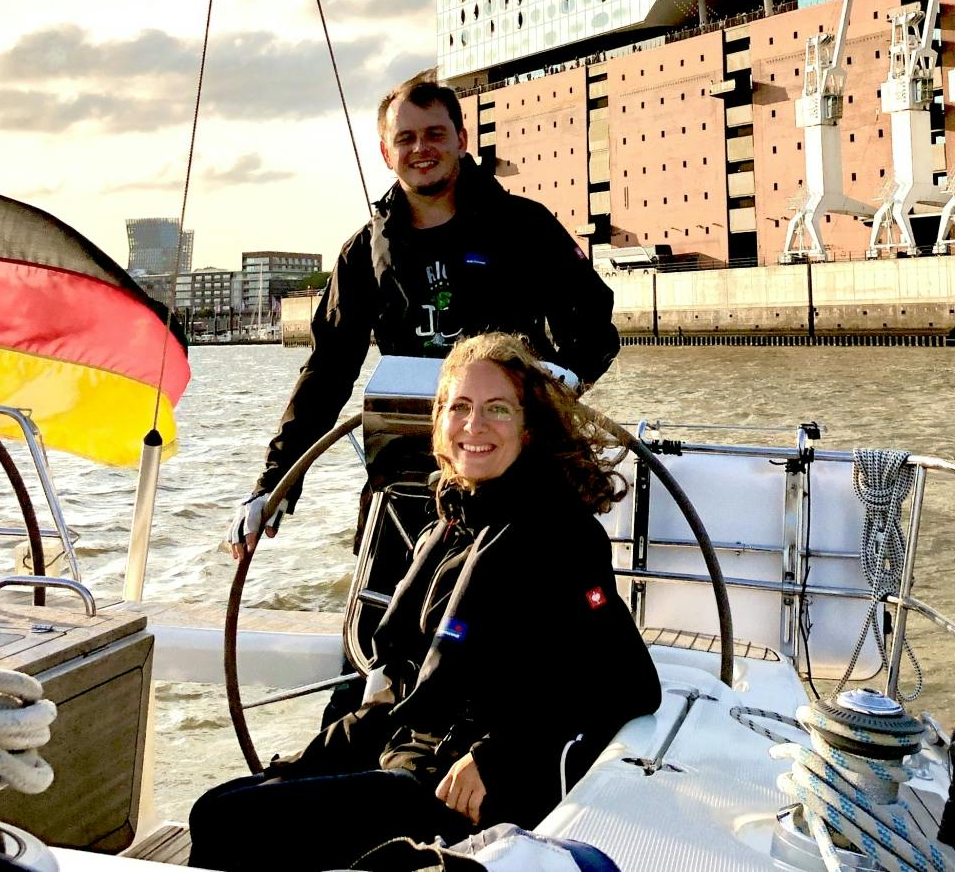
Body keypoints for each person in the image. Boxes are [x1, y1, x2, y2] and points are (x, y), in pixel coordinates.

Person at [190, 334, 660, 872]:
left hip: (457, 792)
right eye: (459, 407)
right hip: (401, 750)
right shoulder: (452, 523)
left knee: (225, 822)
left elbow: (628, 683)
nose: (474, 425)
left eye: (497, 410)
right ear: (438, 421)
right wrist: (300, 763)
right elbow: (403, 686)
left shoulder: (560, 537)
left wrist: (498, 759)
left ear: (528, 429)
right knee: (225, 803)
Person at [231, 73, 620, 550]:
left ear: (460, 139)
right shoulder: (362, 255)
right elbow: (328, 371)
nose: (421, 148)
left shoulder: (525, 227)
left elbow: (595, 329)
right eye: (406, 138)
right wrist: (275, 482)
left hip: (519, 471)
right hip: (407, 481)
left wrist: (564, 380)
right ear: (386, 152)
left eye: (435, 134)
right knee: (391, 616)